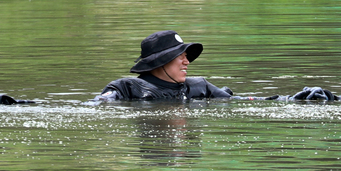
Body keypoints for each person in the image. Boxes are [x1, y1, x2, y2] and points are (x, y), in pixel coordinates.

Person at [89, 31, 246, 103]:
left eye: (187, 57)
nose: (187, 62)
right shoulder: (127, 87)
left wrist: (269, 100)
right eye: (180, 57)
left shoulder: (200, 86)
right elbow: (99, 103)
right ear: (161, 61)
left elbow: (234, 101)